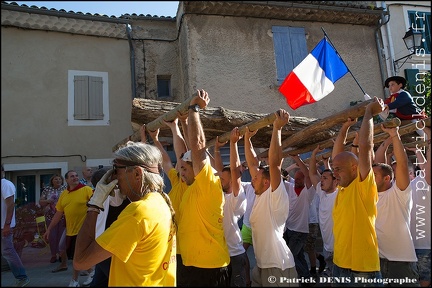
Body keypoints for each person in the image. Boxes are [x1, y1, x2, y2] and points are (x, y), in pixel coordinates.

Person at [73, 142, 176, 286]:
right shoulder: (160, 201)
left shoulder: (137, 212)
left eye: (116, 170)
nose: (113, 178)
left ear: (137, 173)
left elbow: (80, 261)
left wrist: (95, 204)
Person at [176, 89, 230, 286]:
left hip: (210, 267)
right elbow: (189, 148)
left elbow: (198, 146)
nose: (180, 171)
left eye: (184, 167)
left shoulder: (207, 184)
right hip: (189, 264)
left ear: (196, 167)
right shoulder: (189, 188)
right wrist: (182, 123)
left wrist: (194, 109)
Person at [330, 97, 385, 286]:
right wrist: (345, 128)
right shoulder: (342, 189)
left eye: (338, 169)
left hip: (362, 269)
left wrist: (368, 111)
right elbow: (337, 157)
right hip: (339, 264)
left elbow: (365, 147)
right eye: (333, 169)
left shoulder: (363, 186)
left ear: (355, 167)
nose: (334, 173)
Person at [245, 109, 297, 287]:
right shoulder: (260, 193)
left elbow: (274, 163)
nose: (252, 179)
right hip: (261, 265)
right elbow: (253, 163)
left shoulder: (275, 194)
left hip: (278, 266)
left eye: (256, 177)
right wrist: (247, 139)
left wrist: (277, 128)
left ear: (267, 182)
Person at [373, 125, 420, 286]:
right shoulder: (370, 195)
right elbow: (377, 160)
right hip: (377, 261)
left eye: (375, 176)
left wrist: (394, 134)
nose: (370, 179)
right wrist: (385, 142)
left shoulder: (399, 193)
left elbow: (401, 163)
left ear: (387, 179)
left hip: (402, 262)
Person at [145, 117, 189, 286]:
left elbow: (181, 155)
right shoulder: (178, 180)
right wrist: (154, 139)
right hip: (174, 246)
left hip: (187, 249)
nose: (180, 167)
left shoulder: (189, 184)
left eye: (184, 167)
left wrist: (175, 127)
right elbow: (165, 161)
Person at [43, 170, 94, 287]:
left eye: (76, 176)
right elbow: (58, 213)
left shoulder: (86, 190)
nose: (75, 178)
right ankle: (91, 271)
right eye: (72, 176)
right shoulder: (64, 194)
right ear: (66, 180)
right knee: (71, 253)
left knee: (77, 255)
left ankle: (75, 280)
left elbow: (96, 205)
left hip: (84, 229)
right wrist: (49, 229)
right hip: (70, 230)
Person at [86, 167, 129, 287]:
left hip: (101, 243)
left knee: (99, 282)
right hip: (108, 247)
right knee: (117, 280)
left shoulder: (98, 197)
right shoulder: (112, 195)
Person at [282, 154, 316, 282]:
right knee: (299, 256)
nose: (296, 181)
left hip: (300, 230)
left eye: (299, 179)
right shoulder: (290, 187)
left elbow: (308, 175)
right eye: (295, 179)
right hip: (289, 229)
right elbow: (279, 176)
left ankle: (305, 278)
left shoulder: (309, 192)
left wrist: (297, 159)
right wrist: (291, 167)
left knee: (291, 255)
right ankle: (305, 276)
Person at [309, 145, 338, 277]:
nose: (321, 180)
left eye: (325, 178)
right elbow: (313, 173)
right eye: (322, 178)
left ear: (336, 181)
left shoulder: (340, 194)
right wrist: (314, 154)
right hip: (327, 249)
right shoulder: (321, 193)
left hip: (340, 250)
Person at [409, 125, 431, 287]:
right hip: (410, 245)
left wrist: (428, 137)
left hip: (425, 245)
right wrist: (417, 150)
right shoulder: (400, 186)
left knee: (423, 282)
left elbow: (426, 166)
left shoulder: (423, 182)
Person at [1, 164, 30, 287]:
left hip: (4, 226)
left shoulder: (5, 184)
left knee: (8, 251)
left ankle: (22, 277)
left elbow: (11, 204)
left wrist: (7, 224)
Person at [39, 174, 66, 263]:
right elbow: (41, 202)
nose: (58, 181)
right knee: (52, 236)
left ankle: (62, 255)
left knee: (62, 236)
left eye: (59, 179)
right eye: (56, 179)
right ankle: (54, 255)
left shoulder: (65, 189)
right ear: (52, 181)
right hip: (51, 216)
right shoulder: (47, 189)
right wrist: (47, 201)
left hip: (63, 216)